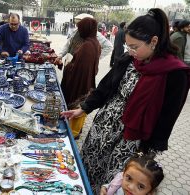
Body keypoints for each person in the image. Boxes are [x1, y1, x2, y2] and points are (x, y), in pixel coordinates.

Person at [61, 8, 190, 193]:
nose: (130, 51)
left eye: (135, 46)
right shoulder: (129, 59)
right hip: (104, 129)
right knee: (88, 171)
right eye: (128, 46)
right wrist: (84, 108)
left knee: (115, 184)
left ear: (154, 41)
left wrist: (146, 152)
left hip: (132, 141)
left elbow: (167, 118)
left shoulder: (174, 73)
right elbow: (105, 87)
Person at [60, 17, 101, 138]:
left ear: (86, 29)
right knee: (79, 109)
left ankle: (72, 134)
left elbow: (78, 70)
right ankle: (76, 131)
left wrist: (67, 66)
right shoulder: (95, 43)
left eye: (80, 29)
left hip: (80, 83)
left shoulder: (87, 46)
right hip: (86, 81)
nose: (79, 31)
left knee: (76, 108)